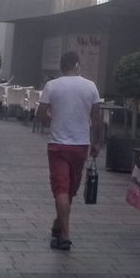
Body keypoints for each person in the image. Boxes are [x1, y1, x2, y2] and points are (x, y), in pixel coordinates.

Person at [36, 49, 102, 251]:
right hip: (80, 146)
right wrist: (96, 142)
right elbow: (97, 119)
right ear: (77, 65)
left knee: (62, 189)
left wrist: (52, 120)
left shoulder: (52, 86)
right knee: (70, 188)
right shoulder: (90, 86)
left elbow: (40, 114)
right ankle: (62, 230)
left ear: (61, 67)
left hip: (57, 145)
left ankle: (61, 228)